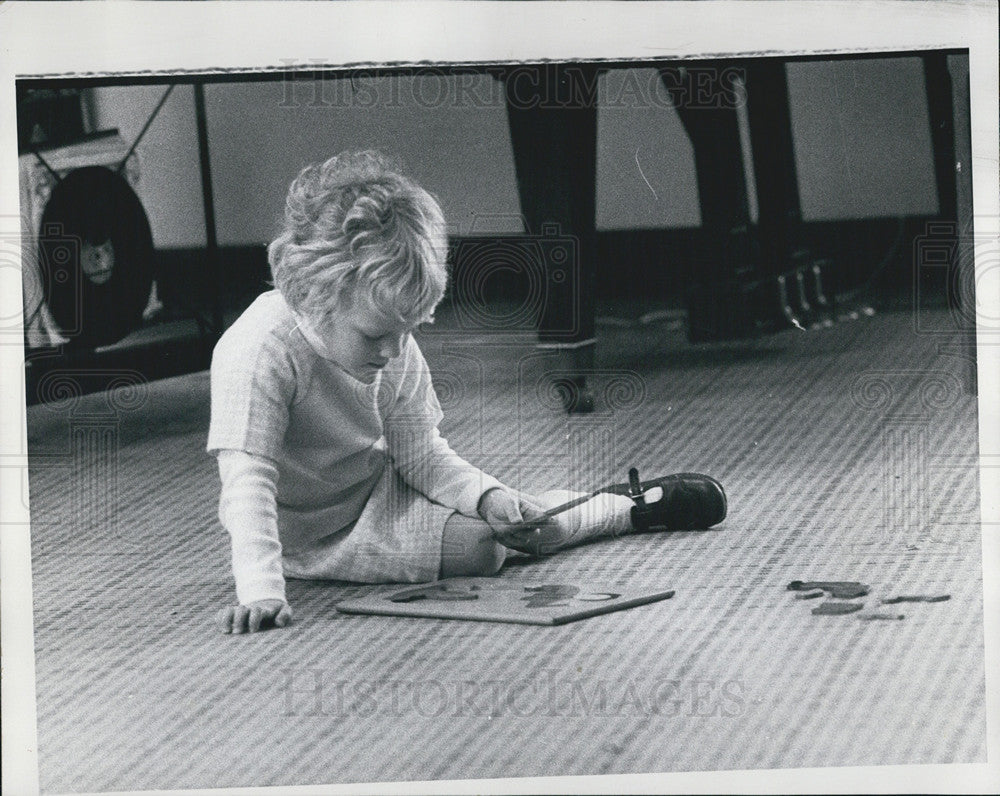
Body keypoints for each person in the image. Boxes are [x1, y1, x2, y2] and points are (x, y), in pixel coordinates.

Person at [208, 151, 727, 634]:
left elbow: (422, 454)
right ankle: (610, 511)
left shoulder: (392, 342)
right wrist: (260, 590)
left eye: (406, 330)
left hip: (376, 494)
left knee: (505, 528)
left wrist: (489, 495)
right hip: (303, 539)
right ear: (317, 296)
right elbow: (247, 485)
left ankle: (621, 507)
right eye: (375, 335)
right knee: (482, 551)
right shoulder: (258, 350)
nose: (393, 351)